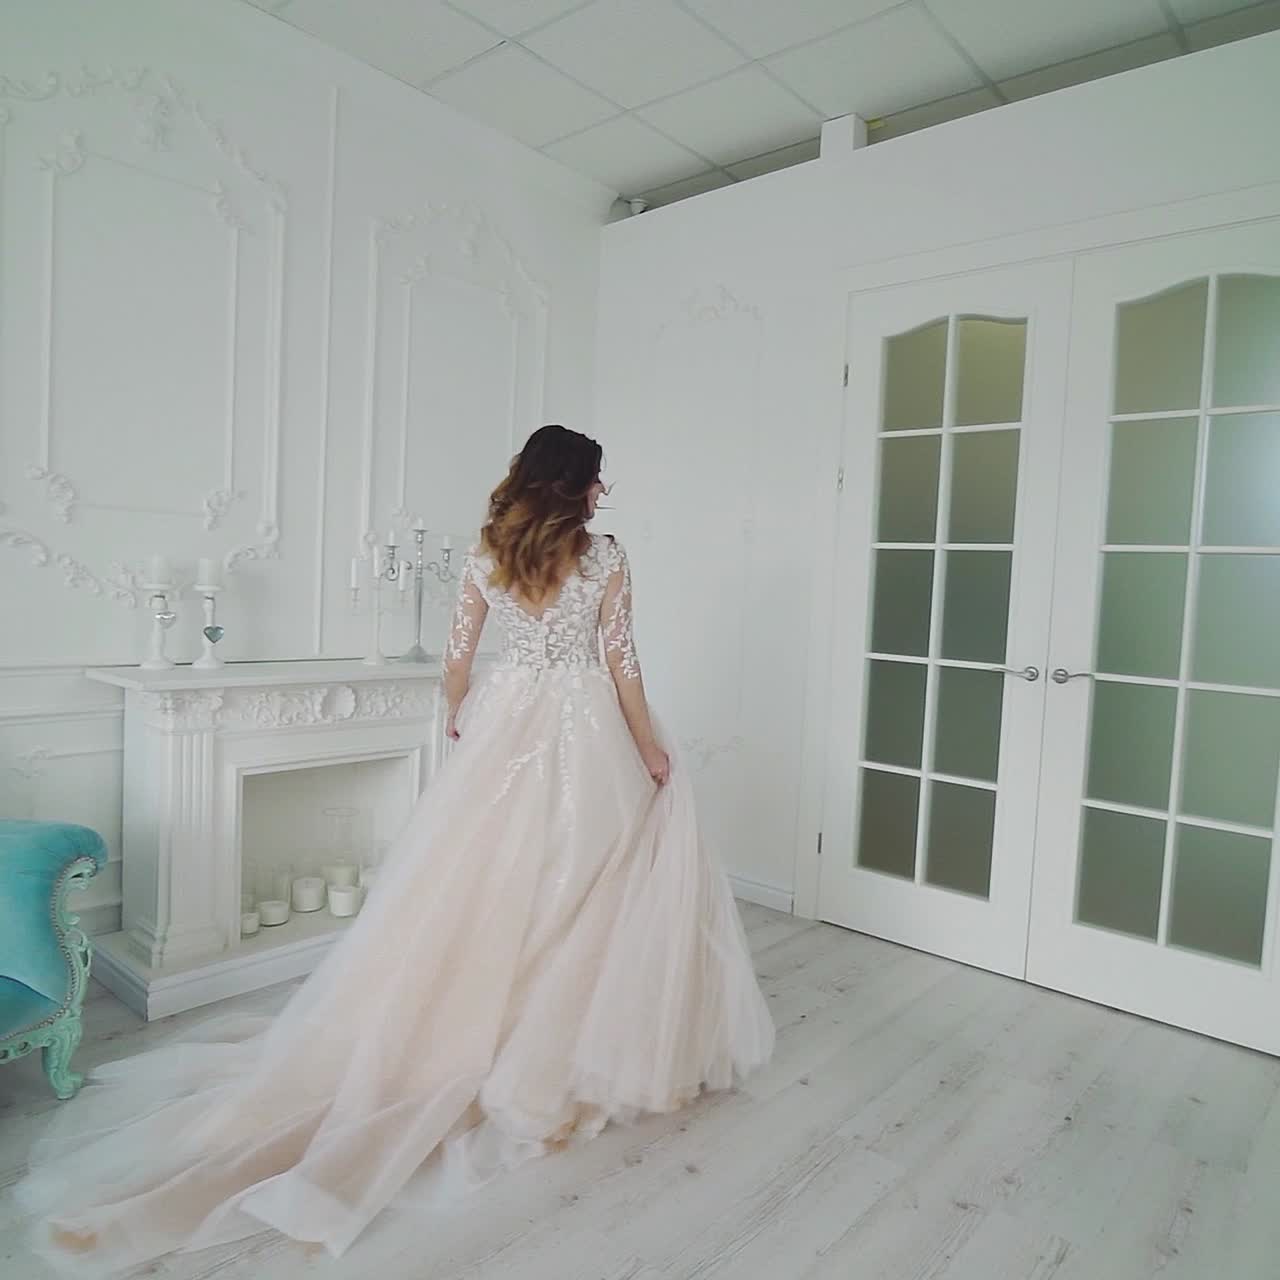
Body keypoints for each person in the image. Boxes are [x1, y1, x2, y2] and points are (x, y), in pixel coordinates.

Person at [17, 424, 774, 1274]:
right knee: (586, 882)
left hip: (509, 719)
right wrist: (649, 750)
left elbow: (456, 660)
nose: (605, 493)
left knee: (489, 885)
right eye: (599, 480)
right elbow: (622, 663)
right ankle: (560, 1039)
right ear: (577, 483)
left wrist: (462, 717)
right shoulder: (604, 556)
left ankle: (492, 1021)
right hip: (587, 724)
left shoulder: (489, 551)